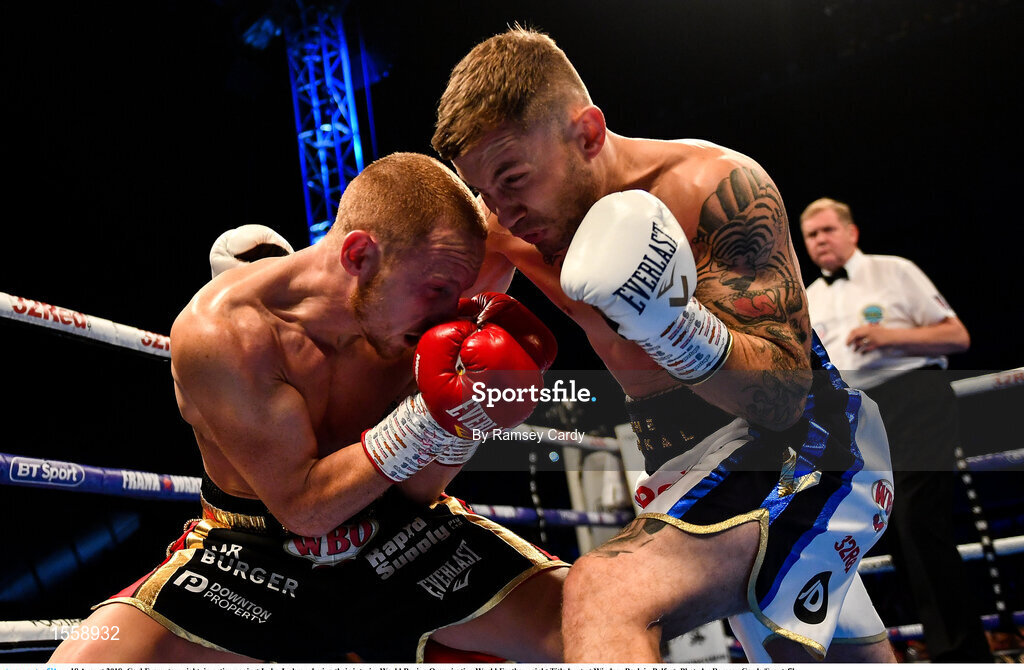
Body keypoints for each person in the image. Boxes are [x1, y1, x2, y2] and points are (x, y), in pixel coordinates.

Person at [432, 28, 895, 662]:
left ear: (588, 134)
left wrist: (672, 325)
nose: (503, 212)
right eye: (485, 192)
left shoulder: (712, 189)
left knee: (605, 589)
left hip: (805, 449)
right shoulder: (511, 229)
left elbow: (785, 396)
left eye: (513, 179)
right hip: (684, 466)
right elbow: (397, 300)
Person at [49, 152, 567, 663]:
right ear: (358, 256)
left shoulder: (443, 273)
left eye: (453, 292)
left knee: (610, 615)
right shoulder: (225, 333)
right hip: (251, 552)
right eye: (435, 290)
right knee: (85, 661)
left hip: (405, 531)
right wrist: (428, 418)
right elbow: (306, 509)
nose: (446, 313)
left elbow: (420, 487)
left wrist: (470, 417)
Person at [800, 197, 990, 662]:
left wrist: (892, 337)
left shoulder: (894, 271)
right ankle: (913, 647)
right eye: (811, 235)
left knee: (918, 520)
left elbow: (957, 335)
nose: (820, 240)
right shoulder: (808, 297)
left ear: (852, 232)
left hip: (915, 397)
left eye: (827, 230)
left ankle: (961, 655)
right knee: (870, 530)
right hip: (855, 415)